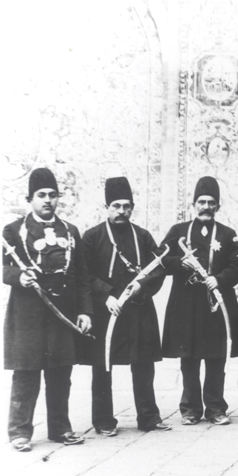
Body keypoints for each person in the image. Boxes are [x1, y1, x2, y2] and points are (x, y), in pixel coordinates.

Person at [3, 168, 92, 451]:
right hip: (27, 314)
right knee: (26, 372)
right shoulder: (12, 232)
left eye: (53, 195)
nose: (47, 200)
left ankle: (60, 429)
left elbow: (81, 277)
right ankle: (19, 431)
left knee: (60, 373)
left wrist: (85, 311)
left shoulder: (71, 231)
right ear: (30, 198)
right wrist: (19, 276)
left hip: (60, 314)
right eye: (41, 195)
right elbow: (2, 267)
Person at [81, 177, 171, 436]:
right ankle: (103, 421)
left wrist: (142, 286)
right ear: (106, 206)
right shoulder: (93, 237)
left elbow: (159, 267)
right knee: (102, 366)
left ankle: (149, 417)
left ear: (132, 207)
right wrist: (106, 295)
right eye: (116, 206)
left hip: (138, 310)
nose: (121, 211)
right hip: (107, 311)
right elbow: (85, 275)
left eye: (126, 206)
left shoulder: (142, 236)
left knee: (143, 365)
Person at [160, 176, 238, 426]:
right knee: (190, 358)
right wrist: (179, 263)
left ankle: (216, 408)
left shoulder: (228, 234)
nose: (206, 207)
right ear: (193, 204)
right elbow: (160, 258)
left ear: (218, 206)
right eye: (201, 202)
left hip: (217, 303)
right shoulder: (178, 232)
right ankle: (190, 409)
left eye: (211, 202)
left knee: (216, 357)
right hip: (186, 304)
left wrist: (220, 279)